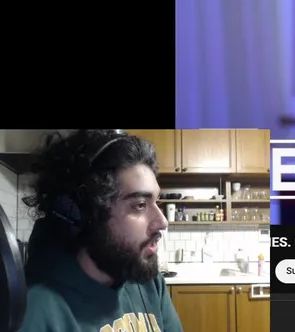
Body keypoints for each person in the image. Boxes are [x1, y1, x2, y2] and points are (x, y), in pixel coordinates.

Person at [18, 130, 183, 332]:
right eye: (140, 205)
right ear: (84, 215)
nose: (162, 222)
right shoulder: (32, 311)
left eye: (156, 202)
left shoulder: (148, 282)